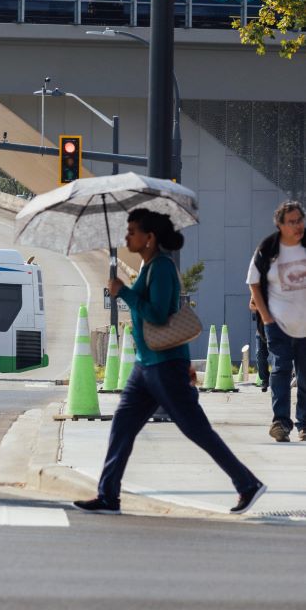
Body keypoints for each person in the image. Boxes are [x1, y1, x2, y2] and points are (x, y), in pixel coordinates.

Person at [74, 208, 265, 515]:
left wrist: (124, 292)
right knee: (122, 427)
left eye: (133, 231)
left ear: (149, 238)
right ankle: (108, 495)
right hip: (145, 365)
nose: (128, 236)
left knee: (196, 429)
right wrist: (125, 291)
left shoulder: (161, 268)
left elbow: (158, 315)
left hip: (165, 366)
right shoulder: (147, 267)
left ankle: (247, 484)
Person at [247, 200, 306, 442]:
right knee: (281, 369)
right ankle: (281, 423)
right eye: (292, 222)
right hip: (277, 324)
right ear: (280, 224)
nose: (298, 226)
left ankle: (305, 423)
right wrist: (266, 316)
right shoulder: (268, 248)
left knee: (305, 374)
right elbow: (253, 281)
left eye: (300, 220)